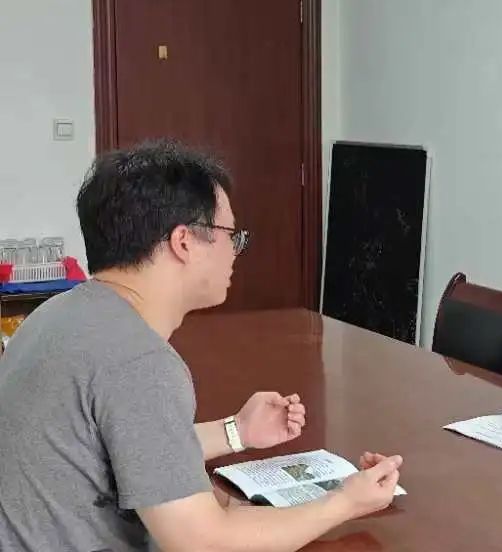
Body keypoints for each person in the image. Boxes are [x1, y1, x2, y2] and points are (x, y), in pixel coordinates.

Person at [0, 140, 403, 551]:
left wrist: (236, 431)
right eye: (231, 235)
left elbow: (127, 445)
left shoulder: (56, 314)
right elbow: (204, 543)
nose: (236, 251)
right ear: (184, 242)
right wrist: (346, 502)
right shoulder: (138, 361)